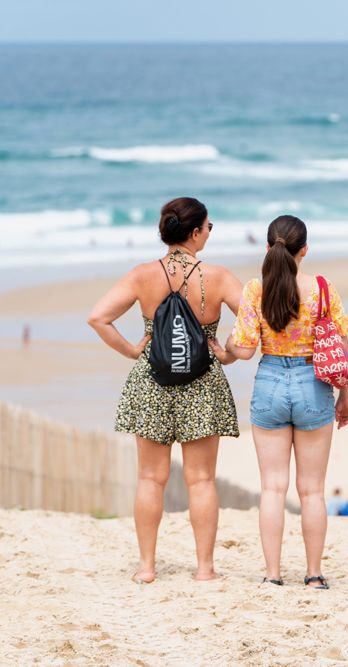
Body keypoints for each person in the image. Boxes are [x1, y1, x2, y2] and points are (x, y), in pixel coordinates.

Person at [87, 197, 242, 583]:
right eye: (208, 227)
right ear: (194, 232)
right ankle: (205, 569)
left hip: (152, 378)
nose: (208, 233)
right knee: (202, 480)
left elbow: (98, 317)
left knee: (150, 479)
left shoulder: (143, 275)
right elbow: (256, 323)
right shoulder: (219, 276)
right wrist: (228, 353)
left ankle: (146, 567)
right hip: (202, 380)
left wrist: (132, 349)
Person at [216, 215, 348, 589]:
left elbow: (243, 350)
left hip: (271, 382)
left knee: (273, 488)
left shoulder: (255, 290)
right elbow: (339, 345)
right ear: (304, 250)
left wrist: (224, 346)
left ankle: (273, 575)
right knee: (311, 490)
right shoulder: (322, 289)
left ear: (267, 247)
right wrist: (346, 396)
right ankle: (313, 574)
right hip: (315, 384)